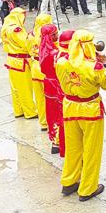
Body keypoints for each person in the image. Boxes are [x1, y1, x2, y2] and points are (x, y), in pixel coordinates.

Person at [56, 30, 106, 201]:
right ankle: (87, 188)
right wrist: (105, 65)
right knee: (91, 150)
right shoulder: (94, 66)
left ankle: (69, 182)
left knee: (73, 148)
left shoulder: (61, 62)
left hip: (70, 107)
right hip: (90, 109)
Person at [1, 8, 38, 119]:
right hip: (21, 61)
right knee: (25, 88)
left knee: (15, 88)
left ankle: (19, 110)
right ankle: (30, 112)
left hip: (12, 60)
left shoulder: (6, 27)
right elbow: (26, 43)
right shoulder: (16, 29)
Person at [39, 24, 65, 156]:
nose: (57, 35)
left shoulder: (43, 48)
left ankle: (54, 141)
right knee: (59, 112)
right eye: (55, 33)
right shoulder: (55, 53)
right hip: (56, 84)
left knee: (51, 112)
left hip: (48, 83)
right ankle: (59, 141)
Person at [28, 14, 53, 131]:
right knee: (50, 97)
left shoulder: (30, 35)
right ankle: (52, 122)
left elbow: (27, 49)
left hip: (34, 67)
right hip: (45, 68)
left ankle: (43, 122)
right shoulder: (48, 36)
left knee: (39, 97)